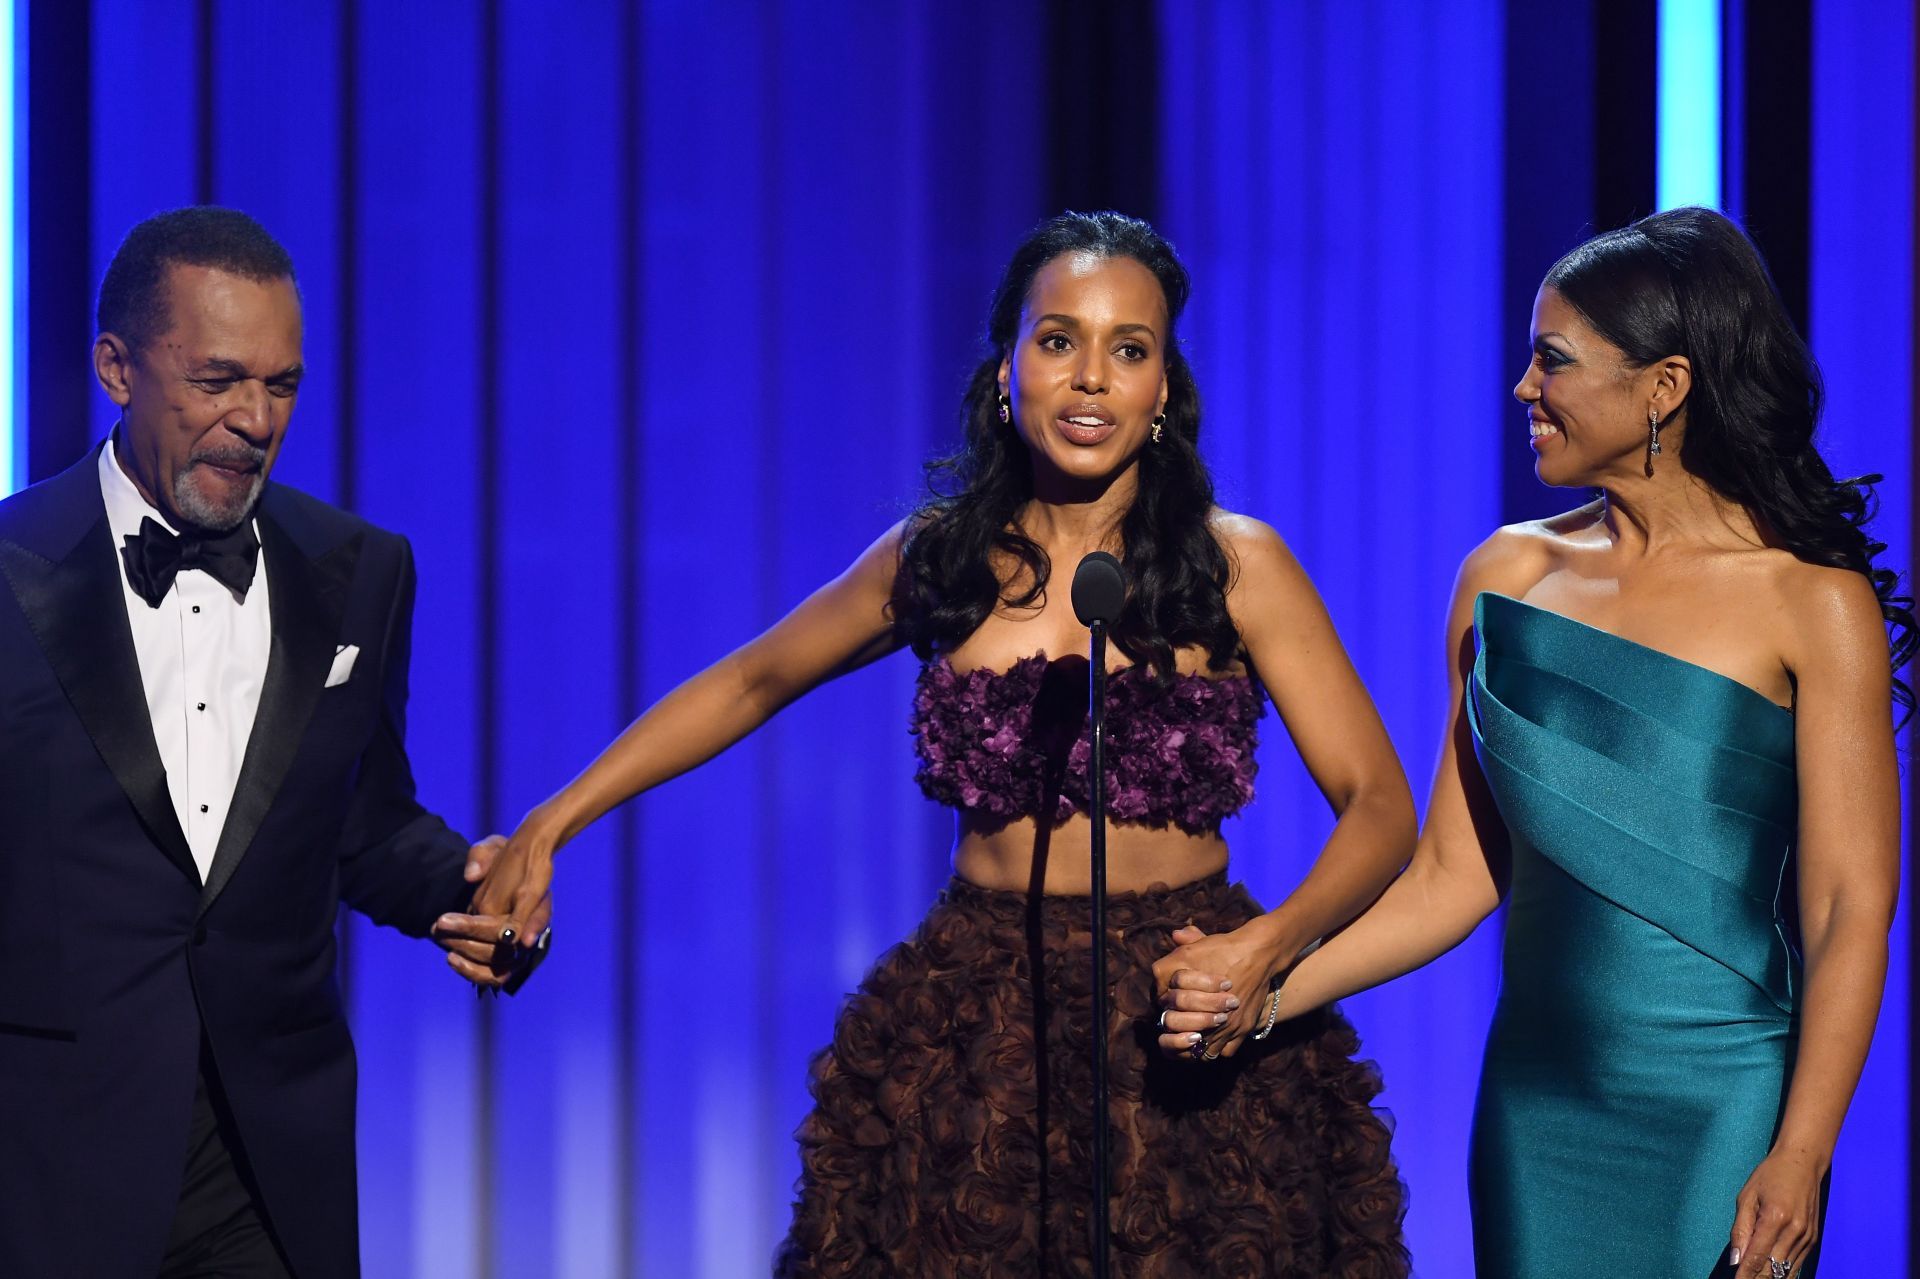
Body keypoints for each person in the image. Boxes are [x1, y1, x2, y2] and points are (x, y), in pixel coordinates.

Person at [472, 211, 1414, 1275]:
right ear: (1007, 373)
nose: (1091, 378)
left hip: (1189, 1017)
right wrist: (555, 820)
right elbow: (751, 680)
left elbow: (1379, 804)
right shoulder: (944, 558)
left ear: (1162, 393)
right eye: (1059, 340)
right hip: (977, 1025)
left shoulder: (1233, 565)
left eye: (1129, 349)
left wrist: (1268, 950)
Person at [1163, 207, 1908, 1278]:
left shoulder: (1814, 602)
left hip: (1728, 1109)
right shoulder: (1502, 578)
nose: (1523, 388)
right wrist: (1267, 983)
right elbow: (1452, 877)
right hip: (1537, 1108)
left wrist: (1802, 1149)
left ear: (1665, 388)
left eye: (1551, 360)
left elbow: (1850, 913)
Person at [0, 206, 526, 1278]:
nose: (255, 418)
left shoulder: (359, 571)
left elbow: (363, 820)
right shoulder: (8, 570)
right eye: (218, 378)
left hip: (265, 1163)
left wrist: (471, 886)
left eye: (280, 385)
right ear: (116, 368)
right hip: (45, 1160)